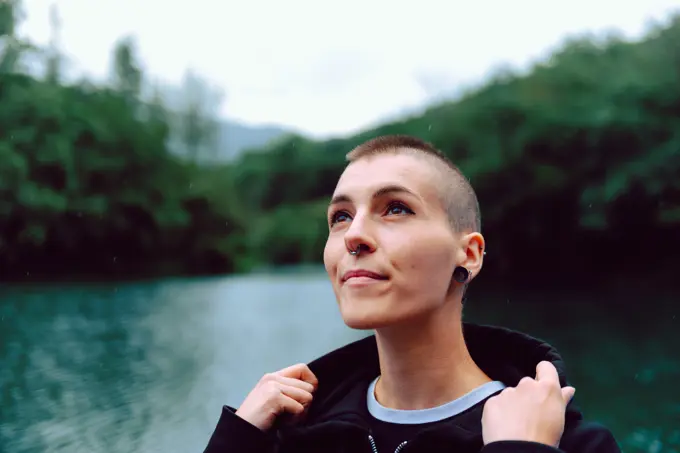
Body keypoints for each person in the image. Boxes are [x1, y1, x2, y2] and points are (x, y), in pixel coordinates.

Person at [203, 135, 621, 453]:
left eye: (396, 208)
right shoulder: (291, 432)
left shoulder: (569, 442)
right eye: (341, 216)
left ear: (469, 254)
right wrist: (238, 439)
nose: (355, 236)